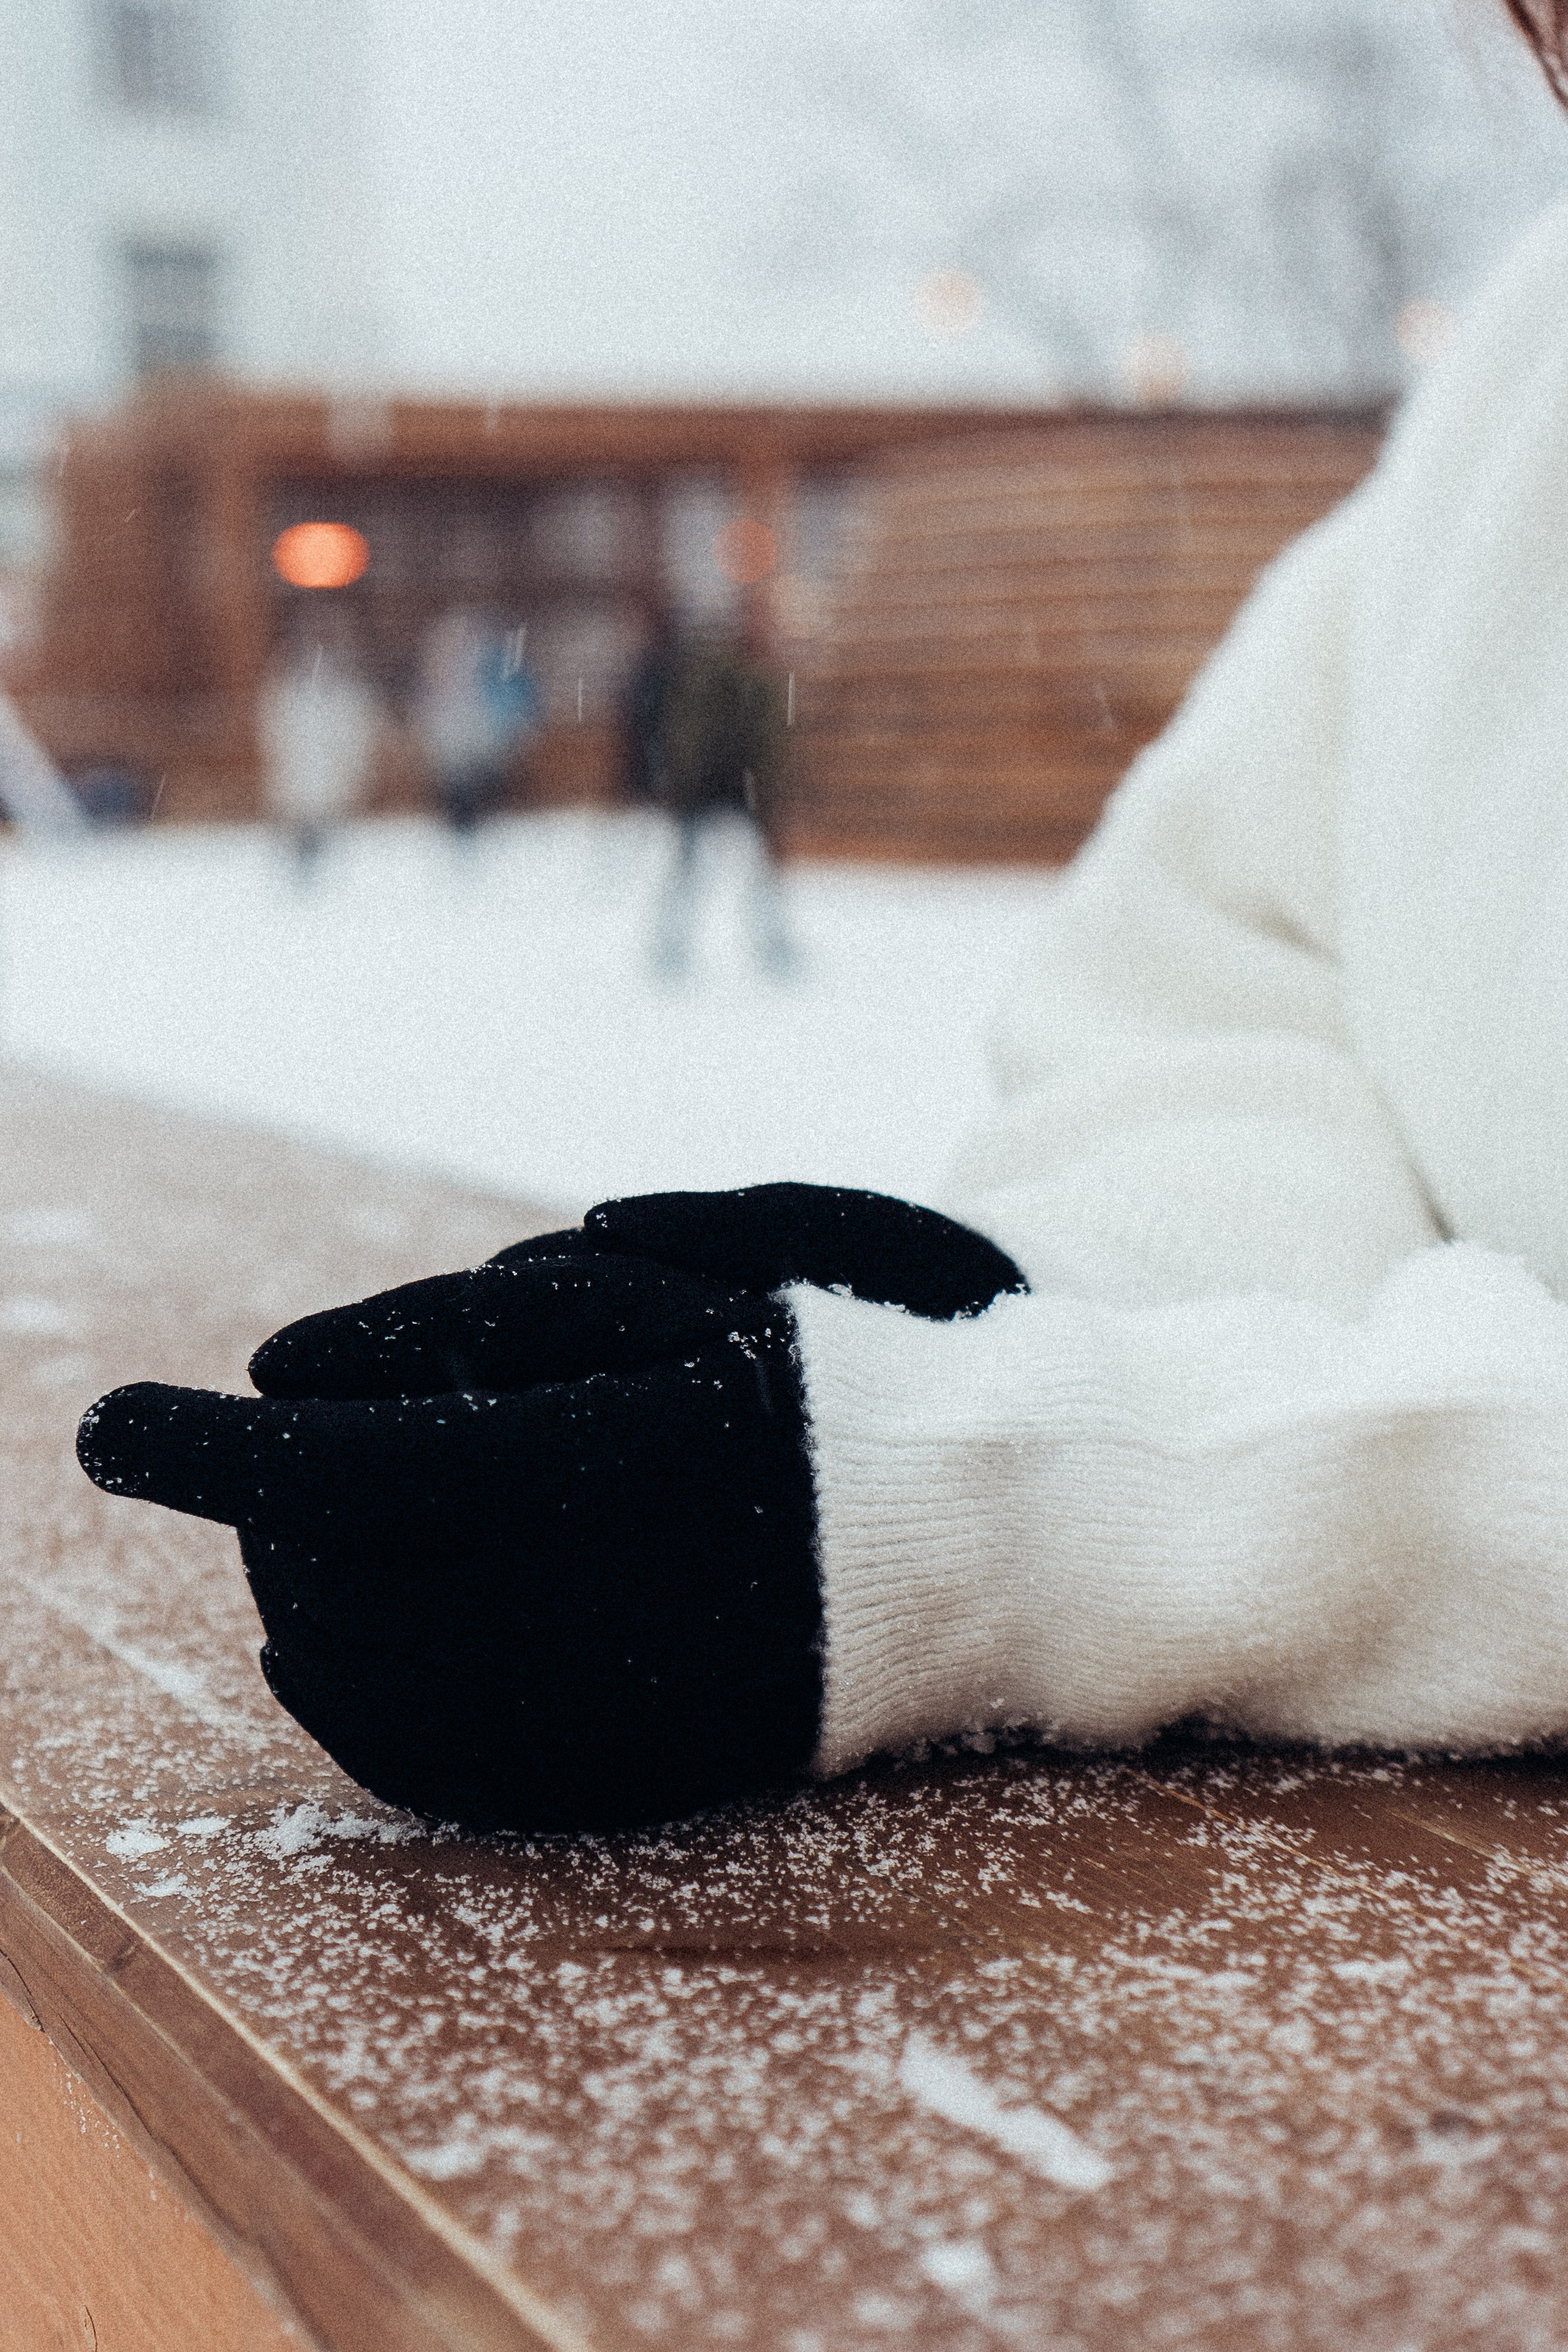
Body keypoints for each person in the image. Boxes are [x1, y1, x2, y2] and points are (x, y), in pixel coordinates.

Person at [75, 5, 1568, 1836]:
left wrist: (1049, 1512)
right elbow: (1236, 976)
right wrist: (1058, 1290)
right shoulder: (1518, 377)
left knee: (718, 884)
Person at [630, 627, 796, 977]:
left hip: (717, 788)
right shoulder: (739, 681)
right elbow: (764, 743)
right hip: (729, 787)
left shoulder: (705, 680)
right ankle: (769, 947)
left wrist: (682, 784)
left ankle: (675, 948)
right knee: (725, 871)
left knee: (700, 871)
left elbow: (685, 738)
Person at [257, 617, 382, 873]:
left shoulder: (351, 699)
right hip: (296, 802)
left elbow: (358, 751)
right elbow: (275, 744)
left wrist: (350, 790)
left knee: (338, 868)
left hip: (336, 804)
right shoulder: (286, 696)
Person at [417, 609, 541, 835]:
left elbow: (521, 720)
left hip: (494, 767)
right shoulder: (434, 705)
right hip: (454, 774)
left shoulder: (500, 682)